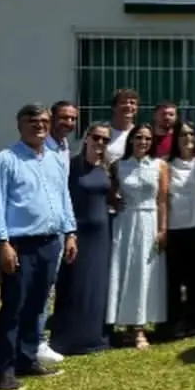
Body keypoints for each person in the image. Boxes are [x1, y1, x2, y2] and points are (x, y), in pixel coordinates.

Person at [0, 104, 78, 390]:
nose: (39, 125)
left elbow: (64, 198)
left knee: (37, 305)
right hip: (19, 245)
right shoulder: (5, 159)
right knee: (14, 307)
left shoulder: (55, 158)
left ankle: (26, 360)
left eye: (43, 121)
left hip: (51, 242)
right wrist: (2, 243)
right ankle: (4, 370)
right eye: (32, 120)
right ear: (19, 124)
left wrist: (70, 232)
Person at [48, 122, 118, 357]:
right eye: (96, 138)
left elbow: (110, 196)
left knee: (98, 285)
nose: (100, 143)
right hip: (78, 233)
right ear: (86, 138)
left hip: (102, 234)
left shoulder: (107, 167)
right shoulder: (71, 166)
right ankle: (69, 338)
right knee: (74, 285)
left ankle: (96, 336)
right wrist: (69, 233)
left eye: (105, 140)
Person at [107, 124, 168, 349]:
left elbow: (162, 200)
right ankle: (124, 323)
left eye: (148, 138)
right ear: (131, 140)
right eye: (139, 137)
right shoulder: (118, 166)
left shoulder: (159, 165)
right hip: (126, 221)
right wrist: (114, 200)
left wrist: (163, 229)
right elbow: (110, 194)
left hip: (150, 221)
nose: (143, 142)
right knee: (124, 270)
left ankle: (141, 326)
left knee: (145, 272)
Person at [36, 99, 78, 367]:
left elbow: (63, 194)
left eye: (73, 119)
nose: (68, 123)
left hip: (59, 226)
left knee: (49, 286)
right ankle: (36, 341)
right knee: (39, 288)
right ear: (51, 118)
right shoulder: (43, 149)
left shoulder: (64, 148)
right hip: (39, 229)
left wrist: (70, 231)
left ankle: (39, 338)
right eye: (63, 118)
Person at [163, 119, 195, 338]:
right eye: (183, 135)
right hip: (174, 229)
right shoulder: (167, 166)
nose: (188, 139)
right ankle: (174, 323)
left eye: (191, 134)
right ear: (176, 140)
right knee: (174, 280)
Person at [105, 88, 140, 163]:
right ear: (113, 107)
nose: (128, 106)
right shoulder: (100, 132)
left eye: (132, 103)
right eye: (123, 102)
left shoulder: (140, 134)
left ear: (137, 109)